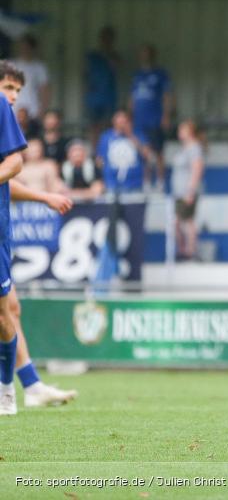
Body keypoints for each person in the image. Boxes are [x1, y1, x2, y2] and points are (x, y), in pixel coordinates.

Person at [0, 61, 77, 416]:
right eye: (9, 87)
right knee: (8, 309)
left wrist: (43, 196)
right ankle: (22, 388)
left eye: (16, 89)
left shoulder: (4, 115)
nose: (13, 95)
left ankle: (19, 388)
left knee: (8, 311)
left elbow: (12, 166)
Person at [130, 44, 174, 189]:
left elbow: (167, 95)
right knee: (144, 151)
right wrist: (131, 115)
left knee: (158, 151)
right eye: (142, 54)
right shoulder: (137, 75)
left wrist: (166, 115)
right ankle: (146, 182)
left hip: (154, 118)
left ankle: (160, 182)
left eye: (147, 53)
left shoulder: (160, 74)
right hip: (140, 120)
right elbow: (133, 97)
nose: (144, 56)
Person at [170, 120, 204, 261]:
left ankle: (190, 251)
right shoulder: (184, 148)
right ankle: (184, 250)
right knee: (179, 222)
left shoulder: (194, 148)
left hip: (187, 192)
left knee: (185, 221)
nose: (179, 133)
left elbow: (197, 169)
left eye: (182, 130)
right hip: (179, 192)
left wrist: (190, 191)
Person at [96, 110, 153, 194]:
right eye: (119, 121)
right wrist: (106, 167)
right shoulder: (106, 137)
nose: (121, 123)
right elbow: (100, 161)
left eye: (124, 121)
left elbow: (147, 155)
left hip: (134, 183)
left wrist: (130, 135)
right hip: (111, 183)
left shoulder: (138, 135)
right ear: (113, 122)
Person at [84, 26, 120, 149]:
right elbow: (85, 73)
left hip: (109, 96)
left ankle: (107, 150)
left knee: (108, 126)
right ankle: (95, 152)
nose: (106, 41)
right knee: (93, 126)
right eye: (104, 38)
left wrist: (108, 54)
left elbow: (116, 68)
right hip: (94, 96)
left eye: (109, 39)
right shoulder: (93, 56)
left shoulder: (114, 56)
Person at [10, 34, 50, 124]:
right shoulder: (11, 65)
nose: (24, 49)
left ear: (32, 48)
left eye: (27, 47)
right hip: (13, 111)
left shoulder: (39, 67)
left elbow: (45, 90)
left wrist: (42, 111)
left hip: (33, 111)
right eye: (22, 46)